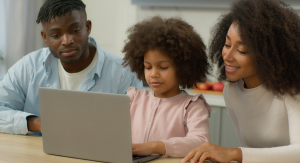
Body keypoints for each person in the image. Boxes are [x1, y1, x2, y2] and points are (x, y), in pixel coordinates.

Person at [0, 0, 142, 135]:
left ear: (87, 27)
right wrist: (37, 123)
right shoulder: (28, 67)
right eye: (56, 35)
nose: (67, 41)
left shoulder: (124, 73)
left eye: (75, 31)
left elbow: (139, 127)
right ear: (45, 37)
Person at [182, 0, 300, 162]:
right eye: (227, 44)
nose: (228, 56)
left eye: (242, 50)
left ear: (268, 54)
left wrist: (233, 153)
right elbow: (251, 155)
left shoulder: (291, 91)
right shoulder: (231, 93)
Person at [122, 16, 211, 157]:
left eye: (163, 67)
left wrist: (155, 146)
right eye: (148, 67)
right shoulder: (133, 98)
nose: (153, 74)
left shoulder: (192, 106)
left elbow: (200, 142)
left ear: (183, 68)